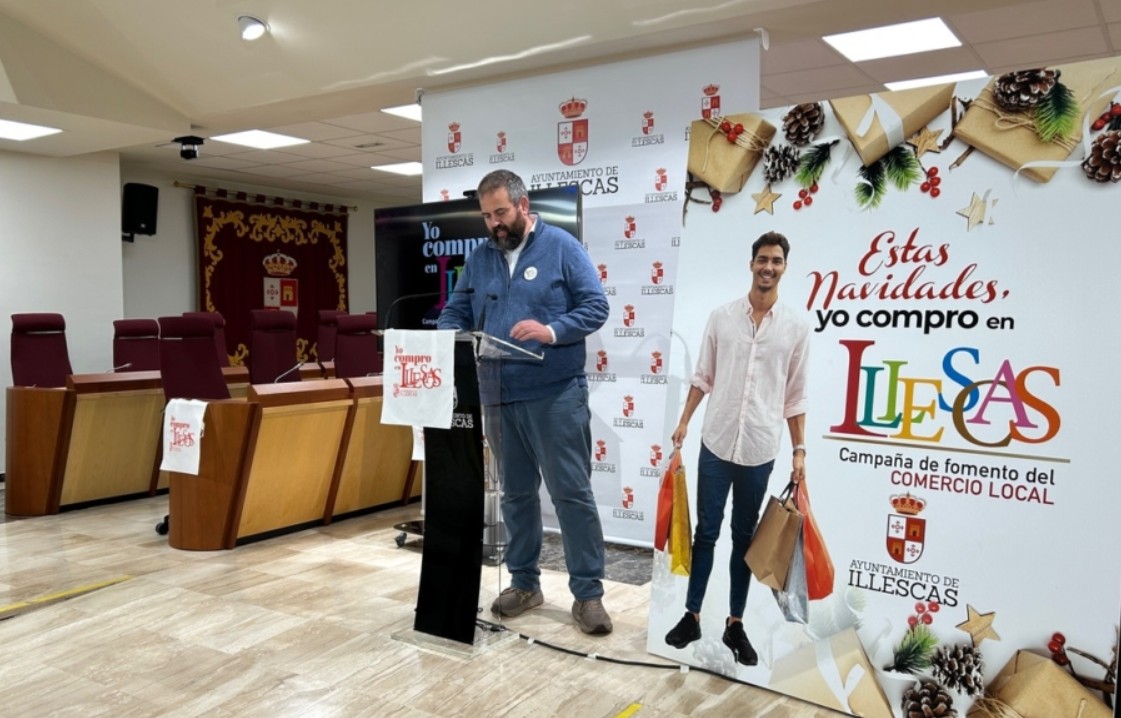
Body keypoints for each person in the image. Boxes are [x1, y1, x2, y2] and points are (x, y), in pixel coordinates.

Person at [437, 169, 613, 635]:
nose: (494, 223)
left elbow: (596, 306)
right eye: (486, 216)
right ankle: (524, 583)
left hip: (555, 393)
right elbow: (456, 310)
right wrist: (448, 335)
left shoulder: (562, 247)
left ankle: (588, 594)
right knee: (515, 494)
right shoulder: (480, 258)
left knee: (571, 494)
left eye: (500, 212)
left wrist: (550, 330)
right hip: (497, 395)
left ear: (523, 206)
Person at [664, 231, 809, 665]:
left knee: (744, 539)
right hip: (716, 441)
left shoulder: (796, 328)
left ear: (784, 267)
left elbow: (795, 396)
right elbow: (702, 376)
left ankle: (735, 624)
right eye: (763, 259)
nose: (768, 267)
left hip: (759, 448)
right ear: (751, 264)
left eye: (776, 261)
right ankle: (691, 616)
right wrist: (684, 421)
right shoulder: (722, 318)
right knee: (705, 533)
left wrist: (799, 450)